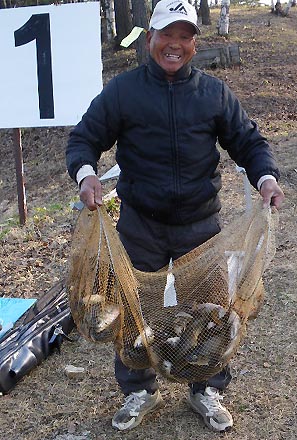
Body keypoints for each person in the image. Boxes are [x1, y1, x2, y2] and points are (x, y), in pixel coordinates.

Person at [66, 0, 284, 433]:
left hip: (200, 228)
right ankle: (139, 390)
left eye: (186, 36)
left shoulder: (214, 93)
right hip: (139, 225)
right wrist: (87, 175)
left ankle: (206, 388)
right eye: (168, 34)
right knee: (133, 313)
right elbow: (84, 139)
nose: (176, 45)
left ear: (193, 43)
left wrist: (266, 178)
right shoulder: (123, 92)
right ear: (150, 39)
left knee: (211, 314)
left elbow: (248, 142)